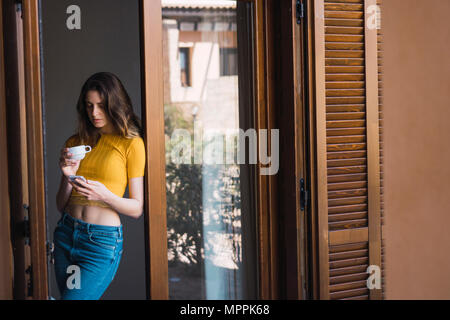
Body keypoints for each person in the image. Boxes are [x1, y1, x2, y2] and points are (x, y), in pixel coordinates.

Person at [53, 72, 145, 300]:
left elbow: (137, 208)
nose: (94, 113)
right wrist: (68, 176)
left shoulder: (131, 144)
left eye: (101, 106)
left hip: (99, 243)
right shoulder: (75, 143)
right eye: (89, 105)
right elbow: (60, 205)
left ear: (114, 104)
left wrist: (104, 195)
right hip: (66, 235)